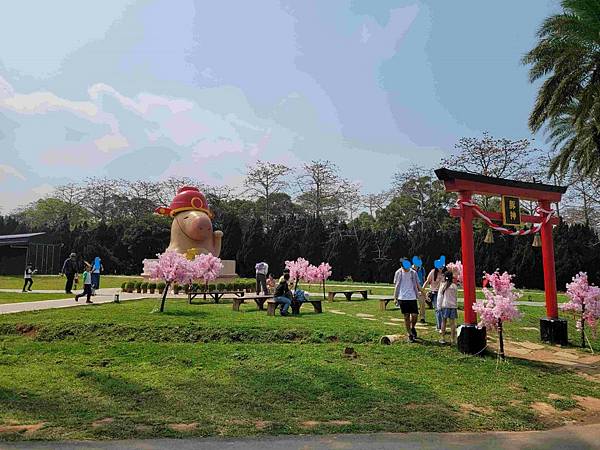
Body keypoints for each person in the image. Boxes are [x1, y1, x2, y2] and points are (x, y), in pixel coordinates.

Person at [393, 258, 422, 342]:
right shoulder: (398, 273)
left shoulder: (413, 273)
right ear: (401, 266)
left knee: (414, 315)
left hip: (412, 297)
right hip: (402, 297)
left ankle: (412, 327)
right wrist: (395, 297)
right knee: (406, 316)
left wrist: (423, 293)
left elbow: (418, 285)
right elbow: (396, 286)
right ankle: (409, 334)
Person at [438, 271, 458, 345]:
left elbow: (440, 297)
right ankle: (453, 340)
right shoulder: (454, 286)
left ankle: (442, 338)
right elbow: (456, 297)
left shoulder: (443, 285)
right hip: (453, 306)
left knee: (444, 322)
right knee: (452, 323)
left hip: (445, 306)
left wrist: (439, 306)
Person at [422, 265, 443, 331]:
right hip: (434, 293)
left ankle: (440, 326)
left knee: (441, 310)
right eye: (440, 266)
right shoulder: (433, 272)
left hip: (442, 293)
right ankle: (439, 326)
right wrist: (422, 290)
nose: (441, 268)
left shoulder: (445, 273)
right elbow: (427, 281)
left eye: (442, 266)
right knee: (438, 309)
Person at [413, 259, 427, 324]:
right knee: (413, 303)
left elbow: (424, 279)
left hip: (421, 288)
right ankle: (412, 317)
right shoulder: (411, 269)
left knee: (422, 303)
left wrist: (423, 289)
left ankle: (422, 318)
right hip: (412, 289)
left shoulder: (422, 269)